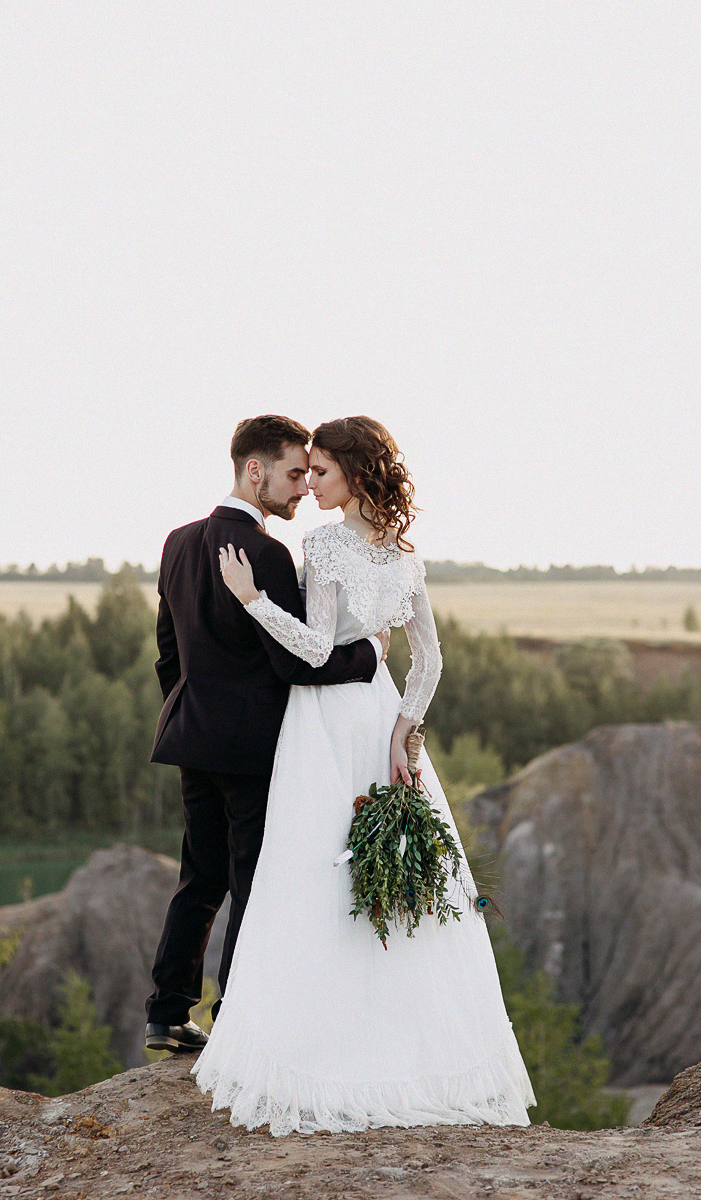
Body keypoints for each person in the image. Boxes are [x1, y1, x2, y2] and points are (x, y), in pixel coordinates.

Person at [193, 415, 535, 1134]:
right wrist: (404, 732)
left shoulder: (323, 545)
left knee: (309, 872)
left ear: (353, 472)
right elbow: (429, 661)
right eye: (306, 472)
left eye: (320, 471)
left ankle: (321, 1053)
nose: (310, 484)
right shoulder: (405, 555)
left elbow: (316, 651)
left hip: (324, 723)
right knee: (397, 885)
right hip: (378, 719)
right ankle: (400, 1049)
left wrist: (253, 600)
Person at [145, 415, 387, 1054]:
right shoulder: (269, 554)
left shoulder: (177, 543)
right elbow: (296, 662)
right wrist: (368, 655)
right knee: (254, 878)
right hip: (255, 747)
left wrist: (192, 710)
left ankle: (166, 1012)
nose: (303, 487)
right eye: (293, 473)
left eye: (310, 475)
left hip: (192, 738)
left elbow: (168, 653)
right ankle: (236, 1015)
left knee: (200, 875)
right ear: (255, 471)